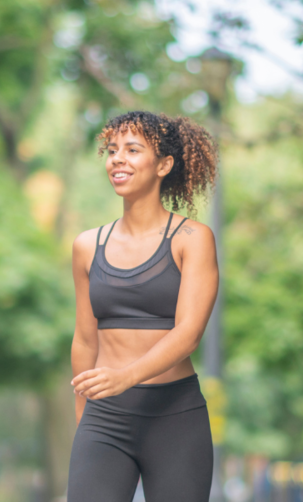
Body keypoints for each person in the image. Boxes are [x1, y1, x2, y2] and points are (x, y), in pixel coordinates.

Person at [68, 111, 220, 502]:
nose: (118, 159)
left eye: (133, 150)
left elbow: (188, 334)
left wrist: (126, 376)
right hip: (105, 417)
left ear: (164, 165)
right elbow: (85, 339)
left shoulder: (192, 238)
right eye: (112, 150)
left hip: (176, 417)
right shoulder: (87, 245)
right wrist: (83, 415)